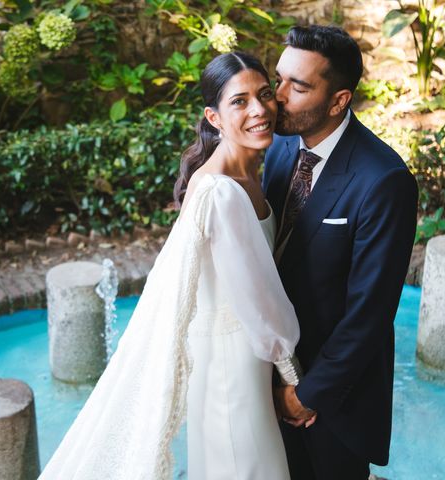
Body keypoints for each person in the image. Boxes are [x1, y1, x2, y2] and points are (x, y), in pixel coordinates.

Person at [38, 52, 307, 480]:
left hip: (244, 357)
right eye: (239, 102)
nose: (259, 110)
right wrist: (294, 376)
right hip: (230, 367)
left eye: (263, 95)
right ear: (213, 117)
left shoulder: (253, 173)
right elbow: (260, 300)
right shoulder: (219, 192)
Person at [265, 25, 418, 480]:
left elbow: (369, 314)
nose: (278, 96)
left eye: (299, 86)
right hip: (270, 378)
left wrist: (306, 393)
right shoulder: (276, 144)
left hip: (335, 403)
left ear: (339, 100)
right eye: (279, 78)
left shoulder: (384, 181)